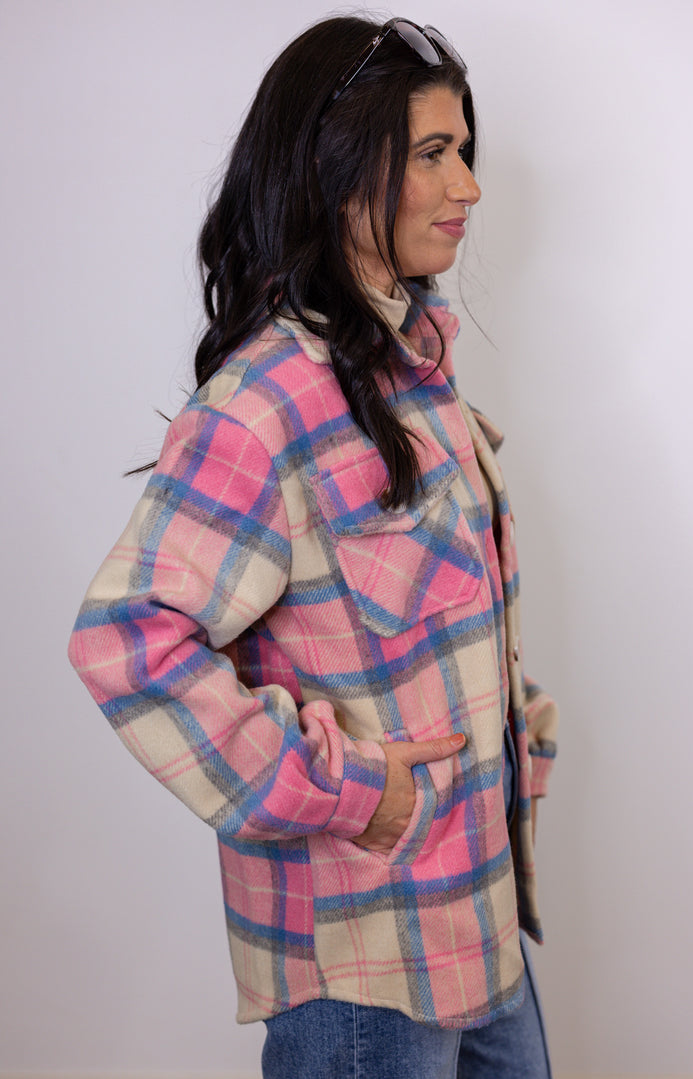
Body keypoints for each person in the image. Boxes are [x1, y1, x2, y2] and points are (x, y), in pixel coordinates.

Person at [68, 15, 558, 1078]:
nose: (469, 186)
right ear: (338, 173)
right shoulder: (264, 404)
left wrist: (519, 729)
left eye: (465, 151)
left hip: (480, 923)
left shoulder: (411, 376)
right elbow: (126, 643)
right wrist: (344, 788)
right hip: (364, 976)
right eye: (434, 154)